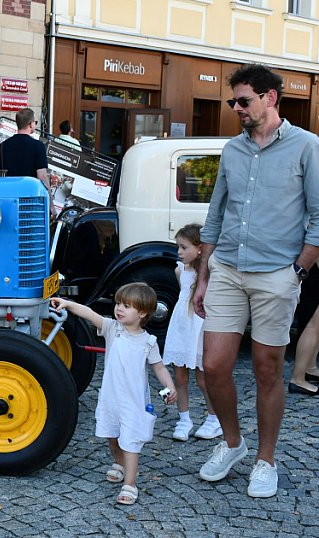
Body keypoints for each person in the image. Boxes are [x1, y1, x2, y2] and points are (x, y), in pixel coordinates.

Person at [193, 64, 319, 498]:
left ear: (270, 98)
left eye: (243, 101)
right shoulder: (232, 150)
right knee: (213, 366)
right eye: (233, 102)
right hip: (227, 267)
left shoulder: (307, 147)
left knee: (268, 369)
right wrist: (202, 277)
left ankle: (266, 459)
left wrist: (298, 271)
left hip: (277, 275)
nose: (236, 109)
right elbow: (215, 214)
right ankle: (233, 443)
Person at [51, 283, 177, 505]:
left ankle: (130, 484)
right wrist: (68, 304)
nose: (119, 308)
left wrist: (170, 386)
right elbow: (90, 314)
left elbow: (158, 367)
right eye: (118, 303)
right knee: (113, 436)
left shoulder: (149, 342)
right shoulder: (112, 329)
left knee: (130, 441)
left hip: (134, 401)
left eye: (126, 306)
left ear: (142, 313)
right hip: (111, 398)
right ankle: (118, 463)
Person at [163, 224, 222, 441]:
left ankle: (214, 418)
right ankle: (184, 418)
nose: (179, 252)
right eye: (178, 247)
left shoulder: (209, 274)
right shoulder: (180, 270)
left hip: (199, 329)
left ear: (199, 249)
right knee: (180, 376)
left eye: (183, 247)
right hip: (181, 328)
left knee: (203, 379)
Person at [0, 108, 55, 216]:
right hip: (30, 200)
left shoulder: (3, 146)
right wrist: (50, 204)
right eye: (35, 122)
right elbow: (42, 177)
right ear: (30, 124)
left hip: (8, 201)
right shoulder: (38, 146)